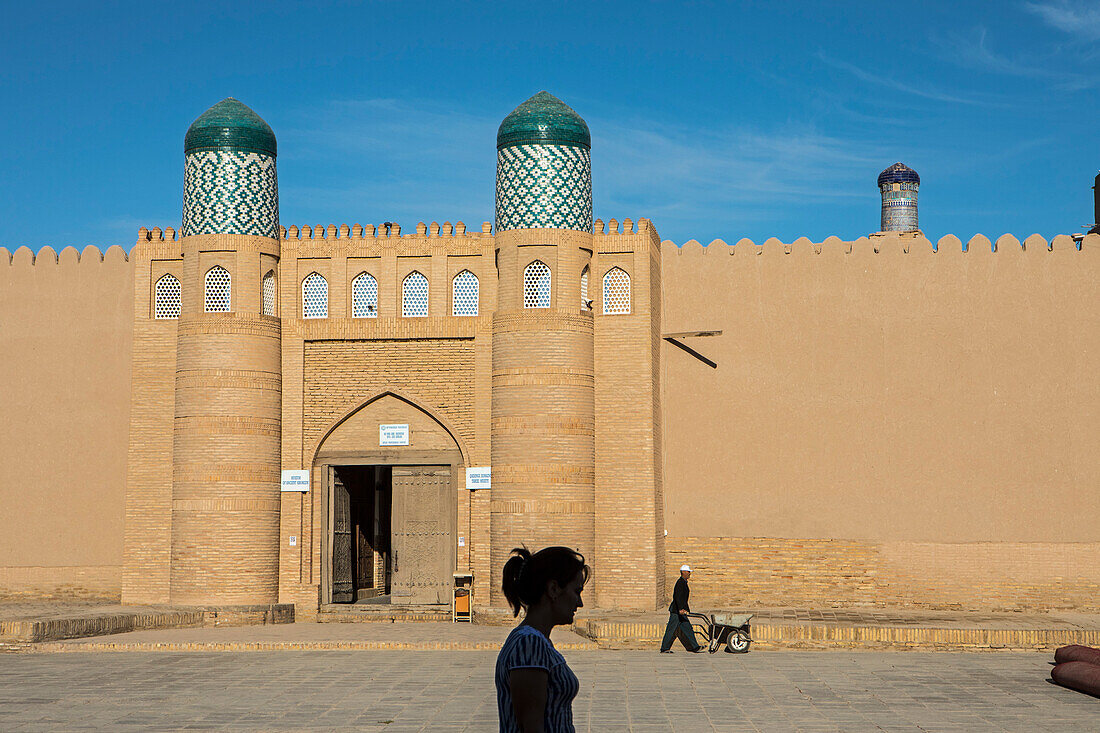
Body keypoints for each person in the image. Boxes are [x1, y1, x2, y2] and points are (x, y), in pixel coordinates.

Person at [496, 545, 589, 732]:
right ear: (554, 589)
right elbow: (531, 726)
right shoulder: (528, 644)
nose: (579, 603)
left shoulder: (536, 642)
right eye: (576, 592)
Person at [659, 564, 703, 653]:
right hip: (677, 611)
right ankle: (664, 648)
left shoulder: (683, 582)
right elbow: (678, 597)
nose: (689, 573)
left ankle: (695, 647)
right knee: (671, 629)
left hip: (681, 611)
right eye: (688, 572)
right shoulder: (680, 583)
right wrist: (680, 609)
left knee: (688, 628)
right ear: (683, 572)